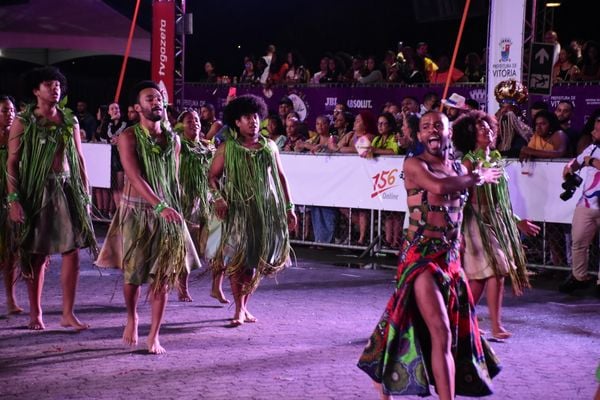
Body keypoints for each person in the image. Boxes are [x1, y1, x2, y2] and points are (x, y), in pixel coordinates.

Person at [357, 111, 502, 400]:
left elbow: (463, 211)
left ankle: (384, 378)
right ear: (419, 135)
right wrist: (476, 177)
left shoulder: (459, 166)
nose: (432, 130)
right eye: (425, 127)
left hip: (449, 261)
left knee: (425, 329)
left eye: (438, 126)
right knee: (441, 331)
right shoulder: (414, 164)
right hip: (421, 259)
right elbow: (438, 187)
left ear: (449, 132)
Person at [96, 81, 201, 354]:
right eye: (149, 98)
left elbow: (173, 178)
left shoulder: (173, 140)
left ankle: (154, 334)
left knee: (162, 276)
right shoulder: (128, 137)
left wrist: (179, 207)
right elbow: (133, 175)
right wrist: (159, 206)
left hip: (166, 215)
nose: (156, 101)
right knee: (133, 277)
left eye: (159, 97)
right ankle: (132, 317)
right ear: (137, 107)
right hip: (137, 212)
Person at [7, 67, 96, 330]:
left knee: (72, 251)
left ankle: (68, 313)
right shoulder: (24, 121)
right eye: (48, 84)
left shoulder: (70, 121)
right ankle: (36, 312)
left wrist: (86, 195)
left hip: (67, 189)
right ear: (36, 90)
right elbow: (12, 162)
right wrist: (14, 199)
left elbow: (79, 159)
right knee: (36, 253)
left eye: (57, 84)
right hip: (37, 190)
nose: (55, 88)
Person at [208, 94, 297, 326]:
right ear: (237, 122)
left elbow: (281, 177)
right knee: (239, 261)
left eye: (256, 116)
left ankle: (245, 307)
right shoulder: (228, 148)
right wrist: (218, 198)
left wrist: (289, 207)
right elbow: (212, 177)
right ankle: (238, 309)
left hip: (265, 212)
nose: (253, 121)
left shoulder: (269, 147)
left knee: (255, 263)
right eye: (247, 117)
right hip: (237, 212)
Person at [453, 110, 540, 340]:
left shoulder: (497, 158)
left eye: (489, 128)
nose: (488, 131)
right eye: (481, 129)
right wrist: (459, 231)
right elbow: (461, 196)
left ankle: (475, 322)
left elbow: (500, 200)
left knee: (490, 275)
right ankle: (485, 324)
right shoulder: (469, 161)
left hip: (497, 218)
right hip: (476, 220)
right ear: (471, 135)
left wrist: (517, 221)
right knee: (490, 272)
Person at [175, 109, 224, 303]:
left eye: (196, 120)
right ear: (181, 126)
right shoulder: (178, 146)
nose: (194, 123)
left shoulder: (209, 147)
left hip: (209, 199)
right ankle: (182, 286)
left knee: (218, 243)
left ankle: (216, 288)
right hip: (188, 201)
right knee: (189, 246)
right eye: (189, 121)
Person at [559, 114, 600, 295]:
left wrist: (590, 162)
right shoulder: (591, 147)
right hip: (586, 202)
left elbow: (590, 162)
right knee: (578, 241)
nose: (593, 131)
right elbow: (575, 162)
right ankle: (579, 277)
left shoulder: (591, 154)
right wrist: (569, 169)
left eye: (598, 129)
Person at [0, 95, 22, 315]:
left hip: (11, 199)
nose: (10, 115)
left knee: (12, 254)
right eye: (4, 111)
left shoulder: (18, 136)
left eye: (12, 110)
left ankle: (11, 299)